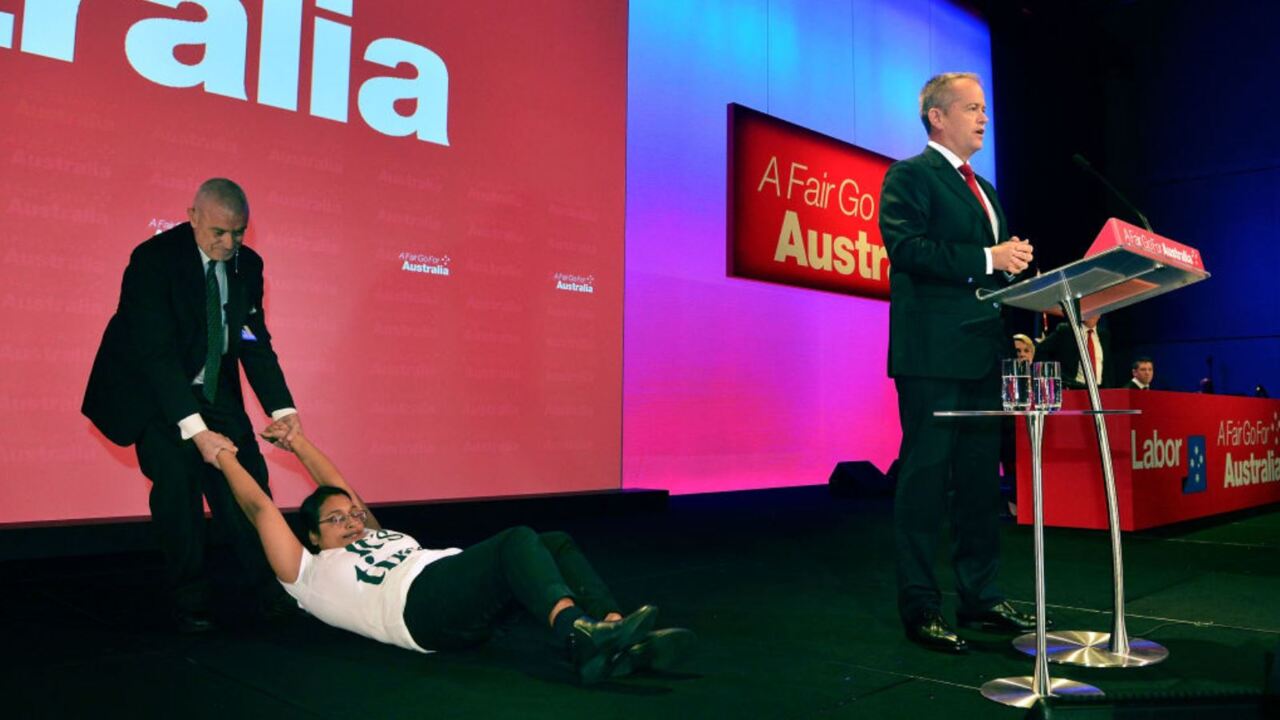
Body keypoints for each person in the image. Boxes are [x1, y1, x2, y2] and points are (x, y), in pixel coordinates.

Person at [209, 420, 694, 685]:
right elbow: (257, 507)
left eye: (353, 514)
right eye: (336, 521)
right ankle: (575, 633)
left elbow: (337, 485)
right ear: (312, 535)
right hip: (416, 610)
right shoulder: (305, 571)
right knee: (516, 540)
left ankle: (610, 630)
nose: (352, 522)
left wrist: (298, 441)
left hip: (447, 584)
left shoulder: (376, 532)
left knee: (554, 542)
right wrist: (222, 455)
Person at [82, 178, 300, 633]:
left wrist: (283, 410)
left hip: (214, 387)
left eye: (238, 232)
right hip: (157, 391)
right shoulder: (153, 261)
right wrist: (197, 432)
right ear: (193, 215)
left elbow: (251, 338)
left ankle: (269, 589)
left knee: (248, 487)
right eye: (219, 231)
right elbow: (156, 355)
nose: (229, 242)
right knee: (178, 486)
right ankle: (191, 597)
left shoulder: (248, 265)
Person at [879, 72, 1040, 654]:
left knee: (978, 484)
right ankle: (921, 605)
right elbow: (908, 249)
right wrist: (987, 257)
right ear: (937, 117)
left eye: (985, 108)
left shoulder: (986, 189)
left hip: (983, 353)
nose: (984, 117)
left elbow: (987, 266)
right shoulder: (909, 176)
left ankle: (981, 596)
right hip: (932, 357)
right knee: (925, 482)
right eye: (972, 107)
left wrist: (1010, 269)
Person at [1036, 316, 1118, 389]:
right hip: (1074, 389)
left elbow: (1108, 366)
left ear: (1100, 315)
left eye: (1096, 311)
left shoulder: (1104, 335)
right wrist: (1057, 374)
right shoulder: (1066, 331)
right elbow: (1040, 351)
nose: (1092, 313)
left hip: (1100, 391)